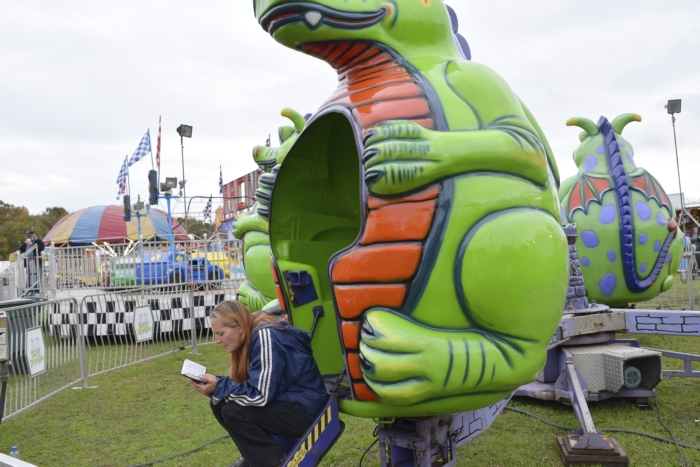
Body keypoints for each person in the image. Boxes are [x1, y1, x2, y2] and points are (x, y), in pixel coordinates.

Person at [189, 300, 328, 467]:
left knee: (233, 410)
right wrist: (216, 386)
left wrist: (219, 386)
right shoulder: (253, 333)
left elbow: (260, 394)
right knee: (219, 403)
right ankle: (256, 459)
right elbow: (257, 383)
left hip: (306, 411)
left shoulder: (265, 335)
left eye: (221, 334)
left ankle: (273, 463)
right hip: (288, 402)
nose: (217, 341)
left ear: (239, 327)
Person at [17, 229, 45, 295]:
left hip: (37, 263)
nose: (28, 237)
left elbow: (41, 248)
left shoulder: (38, 241)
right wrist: (17, 252)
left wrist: (31, 244)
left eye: (29, 235)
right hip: (29, 263)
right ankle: (30, 290)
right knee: (29, 277)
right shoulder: (25, 243)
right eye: (27, 236)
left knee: (38, 276)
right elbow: (21, 249)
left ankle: (37, 291)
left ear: (33, 235)